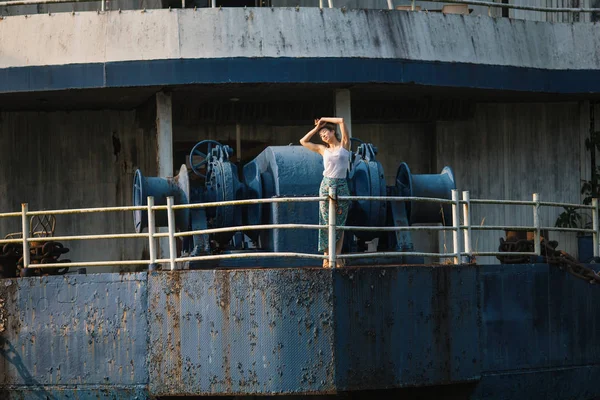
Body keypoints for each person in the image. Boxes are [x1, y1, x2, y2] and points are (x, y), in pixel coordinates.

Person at [299, 117, 351, 268]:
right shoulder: (323, 149)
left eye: (325, 133)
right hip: (326, 185)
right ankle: (326, 257)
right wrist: (316, 129)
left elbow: (341, 120)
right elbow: (303, 141)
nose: (323, 136)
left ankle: (338, 256)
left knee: (339, 224)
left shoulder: (345, 145)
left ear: (333, 131)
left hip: (341, 185)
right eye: (321, 136)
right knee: (326, 222)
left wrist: (323, 120)